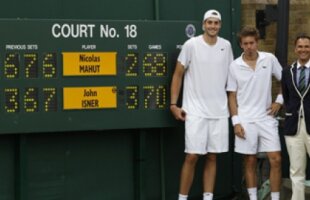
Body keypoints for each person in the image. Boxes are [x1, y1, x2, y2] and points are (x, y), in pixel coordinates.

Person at [170, 9, 233, 200]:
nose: (213, 26)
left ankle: (208, 197)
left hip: (219, 112)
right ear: (203, 25)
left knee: (212, 157)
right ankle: (182, 198)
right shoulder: (191, 45)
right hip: (195, 111)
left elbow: (231, 79)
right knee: (192, 156)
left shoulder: (226, 46)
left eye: (216, 23)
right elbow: (178, 74)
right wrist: (173, 104)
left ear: (220, 25)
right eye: (209, 22)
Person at [227, 26, 282, 200]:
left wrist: (278, 101)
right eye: (245, 44)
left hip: (267, 118)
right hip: (245, 120)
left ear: (257, 42)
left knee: (276, 159)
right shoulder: (234, 66)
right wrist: (236, 122)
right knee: (249, 161)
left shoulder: (270, 59)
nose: (249, 46)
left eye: (252, 43)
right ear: (241, 45)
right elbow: (232, 95)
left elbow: (285, 81)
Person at [281, 33, 310, 200]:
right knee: (296, 170)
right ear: (295, 48)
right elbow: (287, 97)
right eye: (300, 46)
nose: (303, 49)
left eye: (306, 46)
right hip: (293, 127)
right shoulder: (287, 71)